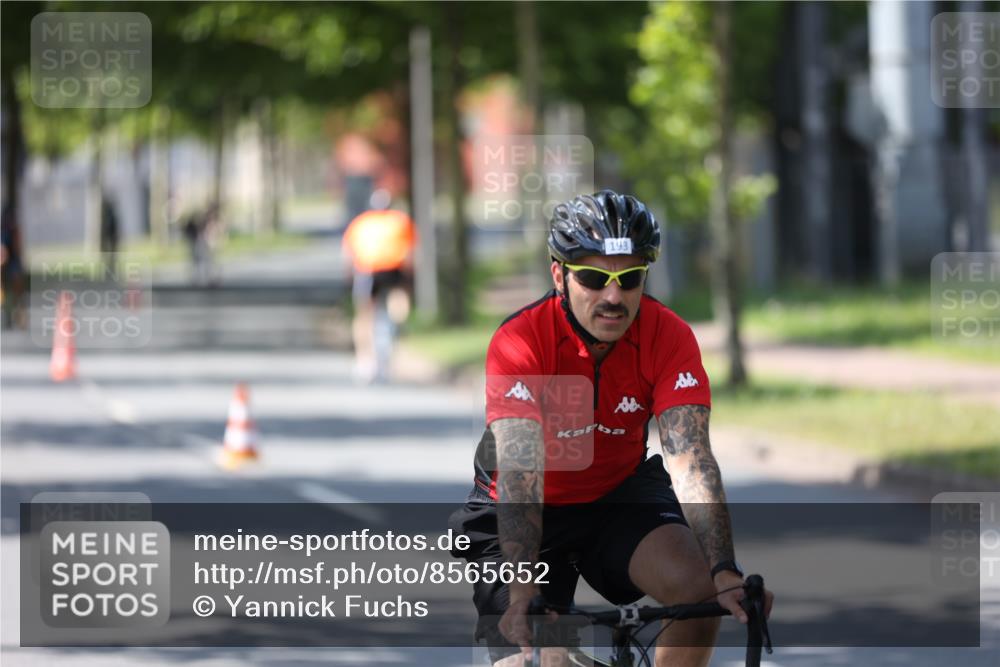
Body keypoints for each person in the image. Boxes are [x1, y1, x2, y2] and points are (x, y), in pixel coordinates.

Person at [449, 190, 773, 667]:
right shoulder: (521, 341)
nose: (613, 296)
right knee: (537, 661)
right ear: (559, 274)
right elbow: (521, 469)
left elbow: (690, 458)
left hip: (617, 496)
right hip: (527, 512)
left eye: (630, 278)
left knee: (696, 590)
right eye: (594, 278)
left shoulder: (667, 335)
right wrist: (522, 587)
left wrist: (724, 569)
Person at [341, 189, 417, 383]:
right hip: (394, 270)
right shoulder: (401, 220)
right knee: (398, 303)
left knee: (364, 315)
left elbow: (348, 253)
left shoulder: (360, 223)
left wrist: (349, 278)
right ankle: (393, 334)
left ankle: (365, 359)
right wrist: (410, 279)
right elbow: (411, 252)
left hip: (368, 271)